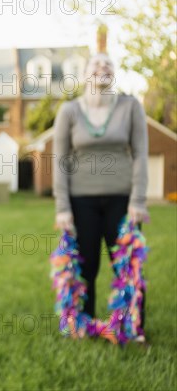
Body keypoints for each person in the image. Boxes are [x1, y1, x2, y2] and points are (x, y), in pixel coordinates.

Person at [53, 53, 149, 340]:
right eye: (95, 63)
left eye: (108, 63)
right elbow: (60, 160)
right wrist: (62, 207)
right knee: (85, 266)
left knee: (128, 266)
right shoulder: (69, 111)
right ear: (84, 75)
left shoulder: (130, 106)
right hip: (80, 200)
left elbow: (141, 153)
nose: (102, 67)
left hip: (123, 199)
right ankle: (82, 325)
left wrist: (139, 200)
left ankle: (132, 326)